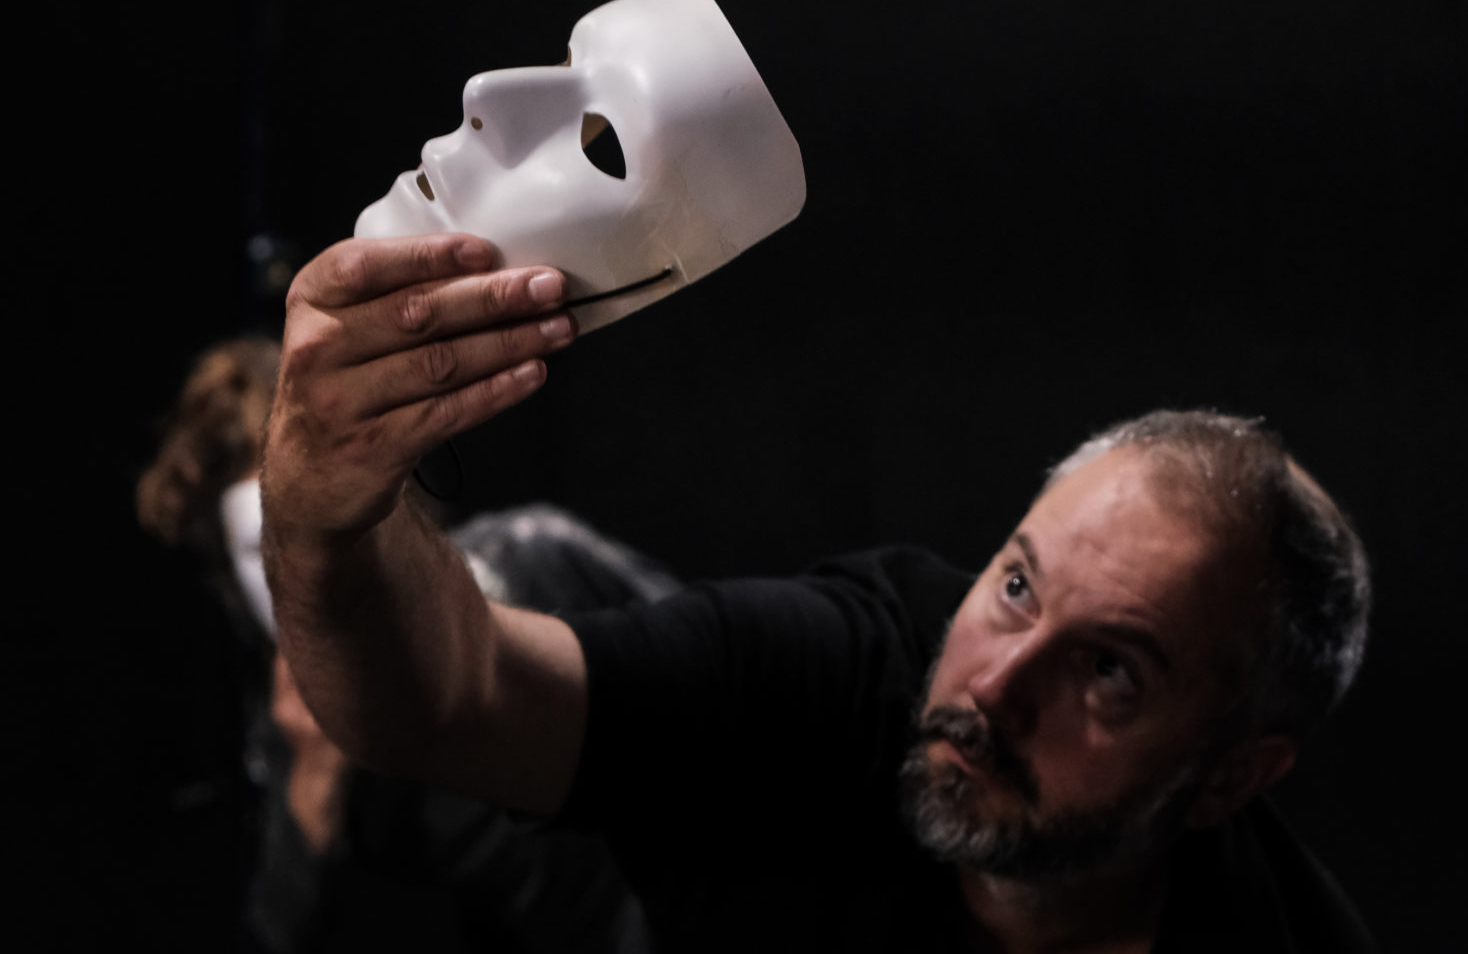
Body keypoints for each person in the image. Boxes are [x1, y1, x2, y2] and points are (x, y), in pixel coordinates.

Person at [261, 234, 1376, 952]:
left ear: (1231, 775)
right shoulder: (854, 673)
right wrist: (325, 513)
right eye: (1017, 586)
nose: (997, 686)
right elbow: (451, 701)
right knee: (502, 592)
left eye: (1111, 672)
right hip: (620, 857)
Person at [139, 337, 658, 953]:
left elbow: (731, 686)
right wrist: (313, 786)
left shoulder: (533, 557)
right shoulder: (281, 729)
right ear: (230, 578)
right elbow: (278, 933)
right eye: (264, 545)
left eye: (324, 523)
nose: (305, 567)